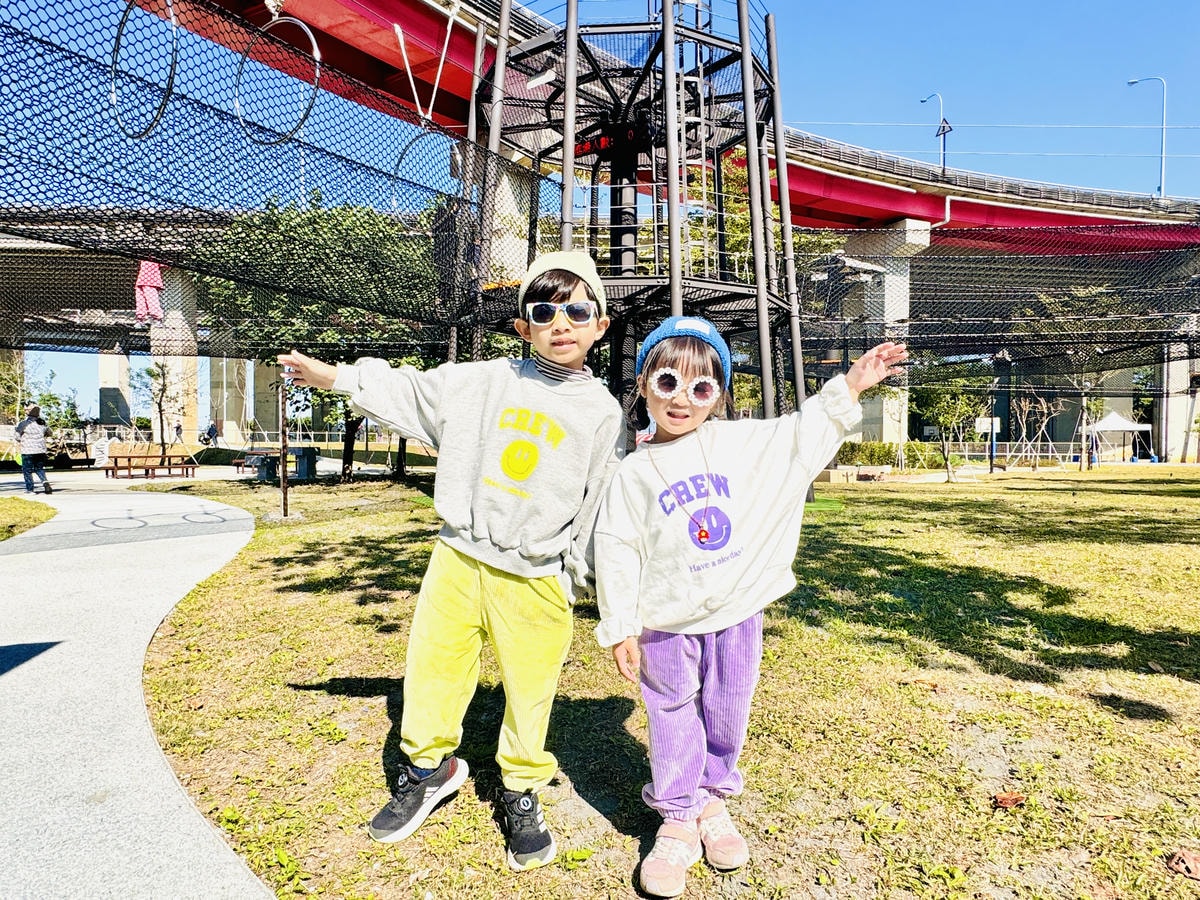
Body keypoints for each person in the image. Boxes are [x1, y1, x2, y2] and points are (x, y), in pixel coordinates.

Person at [277, 250, 624, 871]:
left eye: (577, 309)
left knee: (531, 690)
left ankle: (520, 789)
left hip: (538, 577)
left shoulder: (603, 413)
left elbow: (599, 502)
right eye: (543, 311)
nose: (560, 322)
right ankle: (431, 769)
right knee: (433, 668)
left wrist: (577, 576)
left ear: (600, 323)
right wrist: (334, 377)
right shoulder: (482, 381)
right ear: (522, 327)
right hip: (458, 559)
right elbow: (410, 390)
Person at [593, 316, 907, 897]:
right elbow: (614, 549)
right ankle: (678, 817)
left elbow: (798, 434)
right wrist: (619, 625)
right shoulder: (633, 473)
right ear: (643, 386)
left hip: (737, 612)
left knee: (728, 709)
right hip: (665, 621)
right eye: (666, 382)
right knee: (670, 714)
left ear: (719, 395)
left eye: (700, 388)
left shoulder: (738, 444)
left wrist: (852, 384)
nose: (681, 399)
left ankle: (712, 799)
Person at [16, 404, 53, 495]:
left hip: (27, 450)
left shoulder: (23, 424)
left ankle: (30, 489)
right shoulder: (42, 423)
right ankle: (45, 482)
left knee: (27, 470)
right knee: (39, 468)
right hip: (40, 450)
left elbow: (17, 437)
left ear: (28, 412)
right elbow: (50, 433)